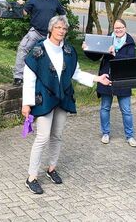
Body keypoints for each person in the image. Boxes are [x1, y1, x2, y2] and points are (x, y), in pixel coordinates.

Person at [22, 15, 110, 194]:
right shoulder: (38, 50)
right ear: (51, 29)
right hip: (44, 98)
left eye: (64, 28)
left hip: (63, 98)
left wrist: (97, 78)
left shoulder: (69, 51)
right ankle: (31, 177)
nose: (61, 31)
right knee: (42, 137)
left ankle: (51, 168)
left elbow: (75, 73)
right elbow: (29, 78)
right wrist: (27, 104)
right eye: (58, 27)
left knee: (57, 135)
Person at [83, 18, 136, 147]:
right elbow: (96, 56)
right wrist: (87, 49)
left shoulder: (130, 42)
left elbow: (130, 60)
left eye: (121, 28)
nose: (118, 30)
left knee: (126, 110)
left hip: (123, 80)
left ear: (125, 29)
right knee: (105, 108)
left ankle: (129, 136)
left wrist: (114, 54)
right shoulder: (108, 39)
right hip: (106, 78)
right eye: (116, 28)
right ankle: (105, 133)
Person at [13, 0, 66, 86]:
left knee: (49, 57)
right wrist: (18, 5)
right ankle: (18, 77)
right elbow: (24, 13)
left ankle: (49, 80)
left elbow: (63, 16)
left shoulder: (55, 1)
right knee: (22, 49)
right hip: (35, 32)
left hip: (49, 36)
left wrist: (61, 28)